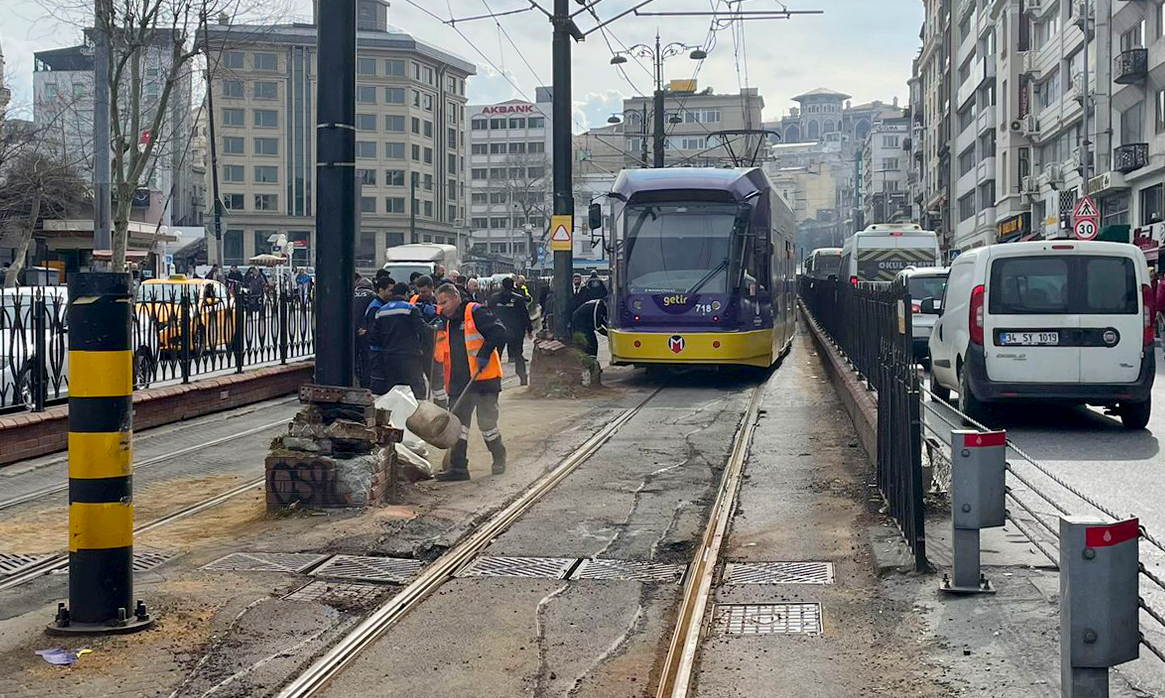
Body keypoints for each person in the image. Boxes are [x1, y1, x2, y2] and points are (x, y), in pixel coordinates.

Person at [433, 283, 509, 481]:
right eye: (438, 303)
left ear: (456, 297)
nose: (441, 307)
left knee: (487, 424)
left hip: (484, 380)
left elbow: (499, 332)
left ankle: (499, 457)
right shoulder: (446, 321)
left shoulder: (475, 311)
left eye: (444, 302)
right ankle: (458, 468)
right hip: (460, 382)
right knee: (458, 426)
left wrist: (484, 354)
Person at [368, 281, 427, 398]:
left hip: (389, 358)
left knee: (393, 391)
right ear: (405, 294)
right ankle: (416, 414)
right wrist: (434, 329)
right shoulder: (411, 308)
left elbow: (374, 338)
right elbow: (422, 329)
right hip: (410, 357)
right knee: (416, 389)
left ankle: (394, 415)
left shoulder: (381, 311)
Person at [489, 277, 534, 385]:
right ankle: (522, 377)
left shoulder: (494, 298)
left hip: (498, 330)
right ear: (513, 284)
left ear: (502, 285)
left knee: (496, 355)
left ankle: (494, 378)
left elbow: (489, 314)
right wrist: (529, 329)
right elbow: (525, 315)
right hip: (516, 330)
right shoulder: (518, 299)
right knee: (518, 354)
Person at [352, 278, 377, 388]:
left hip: (350, 332)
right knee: (366, 358)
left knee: (353, 357)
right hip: (364, 331)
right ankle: (366, 383)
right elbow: (372, 312)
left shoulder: (351, 294)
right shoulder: (372, 295)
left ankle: (353, 380)